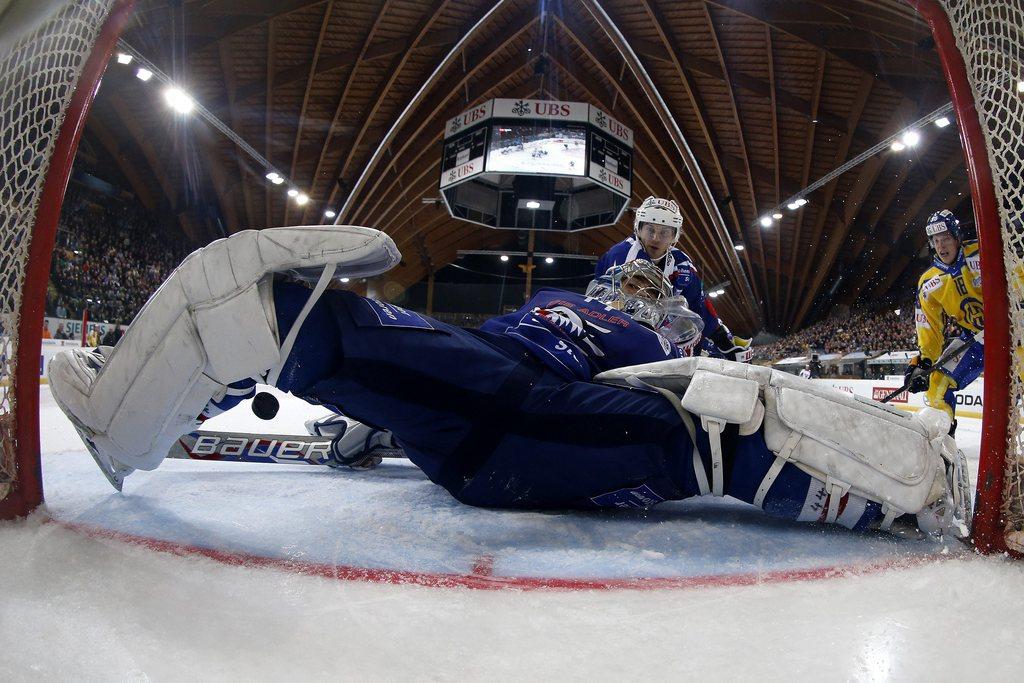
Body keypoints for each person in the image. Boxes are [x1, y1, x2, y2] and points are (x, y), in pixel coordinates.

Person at [48, 225, 970, 539]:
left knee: (714, 422)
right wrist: (385, 423)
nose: (635, 288)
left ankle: (899, 497)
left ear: (680, 301)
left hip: (525, 416)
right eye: (629, 274)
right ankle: (152, 409)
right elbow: (461, 356)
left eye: (656, 286)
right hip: (489, 390)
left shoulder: (666, 343)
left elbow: (735, 388)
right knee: (310, 318)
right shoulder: (567, 298)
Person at [595, 196, 752, 361]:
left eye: (664, 232)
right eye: (650, 229)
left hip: (660, 335)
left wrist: (723, 339)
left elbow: (697, 304)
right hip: (617, 331)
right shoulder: (623, 254)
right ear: (638, 229)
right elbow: (610, 304)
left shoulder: (682, 264)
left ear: (674, 237)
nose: (655, 237)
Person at [904, 210, 984, 435]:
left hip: (1014, 330)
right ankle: (945, 448)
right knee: (937, 385)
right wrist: (924, 361)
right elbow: (929, 328)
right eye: (936, 241)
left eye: (946, 238)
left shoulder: (983, 252)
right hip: (975, 339)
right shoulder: (928, 282)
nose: (941, 246)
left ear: (957, 237)